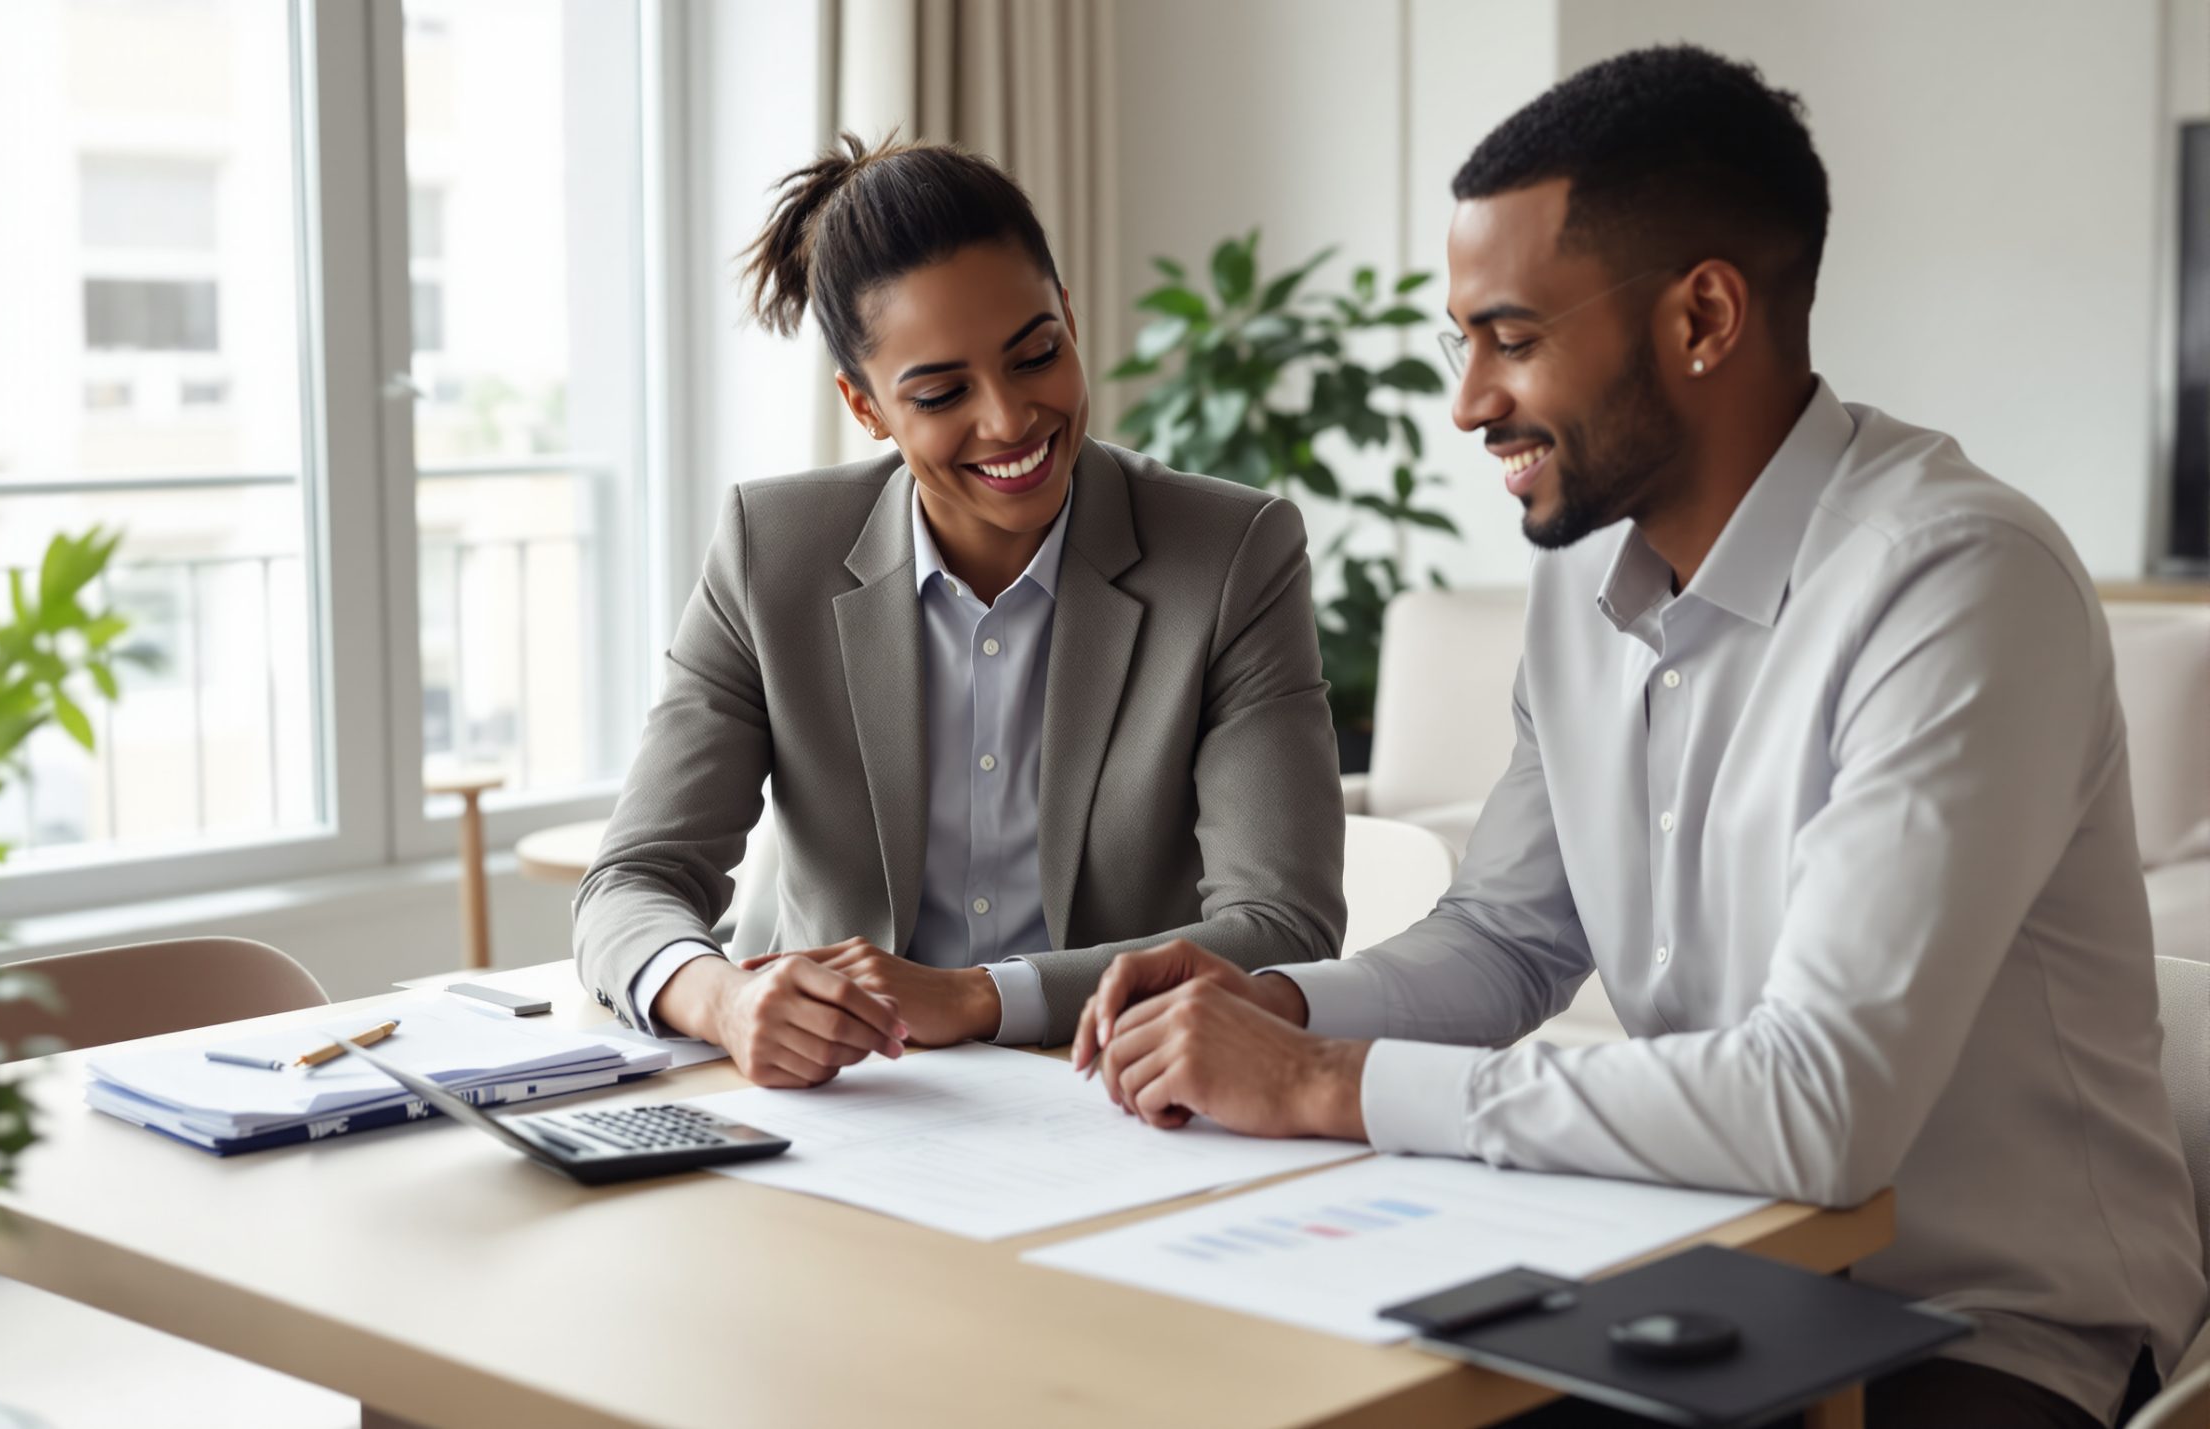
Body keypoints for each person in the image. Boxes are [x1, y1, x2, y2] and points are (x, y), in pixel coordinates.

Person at [1074, 45, 2203, 1427]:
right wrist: (1288, 1007)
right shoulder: (1578, 584)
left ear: (1704, 316)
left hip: (1983, 1338)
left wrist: (1327, 1080)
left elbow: (1819, 1113)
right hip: (1694, 1269)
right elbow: (1509, 937)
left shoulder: (1960, 580)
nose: (1470, 401)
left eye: (1514, 336)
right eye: (1464, 340)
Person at [574, 133, 1344, 1087]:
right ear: (866, 407)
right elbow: (633, 881)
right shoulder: (772, 553)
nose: (1010, 419)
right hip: (843, 1101)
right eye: (941, 392)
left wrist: (983, 994)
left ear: (1068, 316)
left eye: (1035, 356)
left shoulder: (1232, 557)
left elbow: (1284, 925)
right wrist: (723, 998)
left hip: (1109, 1091)